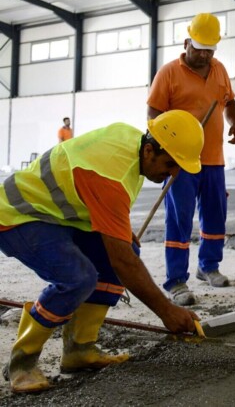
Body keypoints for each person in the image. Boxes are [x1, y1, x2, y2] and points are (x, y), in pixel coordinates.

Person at [0, 111, 204, 394]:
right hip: (18, 215)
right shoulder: (109, 173)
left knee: (124, 248)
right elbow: (124, 263)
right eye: (170, 164)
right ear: (149, 150)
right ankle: (21, 363)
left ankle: (79, 350)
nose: (173, 174)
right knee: (78, 278)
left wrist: (116, 228)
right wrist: (166, 311)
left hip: (58, 217)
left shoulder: (134, 143)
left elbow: (104, 211)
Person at [147, 12, 235, 306]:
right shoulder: (168, 73)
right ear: (187, 41)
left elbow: (229, 101)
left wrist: (234, 123)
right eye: (199, 48)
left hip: (213, 159)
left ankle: (208, 267)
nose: (204, 54)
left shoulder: (219, 70)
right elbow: (153, 114)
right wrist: (164, 150)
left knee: (215, 216)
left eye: (210, 50)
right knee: (179, 219)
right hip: (180, 161)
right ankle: (176, 280)